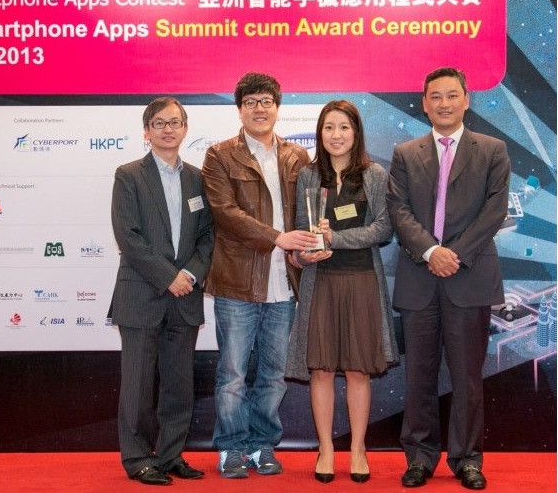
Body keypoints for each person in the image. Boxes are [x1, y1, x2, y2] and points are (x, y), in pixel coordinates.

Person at [386, 67, 511, 490]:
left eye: (452, 95)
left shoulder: (492, 150)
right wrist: (430, 251)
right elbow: (398, 210)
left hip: (469, 276)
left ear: (466, 100)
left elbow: (495, 211)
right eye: (435, 96)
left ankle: (467, 459)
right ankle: (419, 457)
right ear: (424, 103)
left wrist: (453, 255)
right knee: (418, 377)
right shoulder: (405, 153)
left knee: (467, 378)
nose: (444, 103)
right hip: (419, 278)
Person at [201, 72, 315, 479]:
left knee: (273, 374)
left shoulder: (297, 157)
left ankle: (262, 444)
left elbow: (308, 213)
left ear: (277, 108)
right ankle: (231, 447)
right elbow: (226, 214)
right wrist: (278, 238)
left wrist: (308, 244)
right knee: (232, 374)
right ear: (240, 109)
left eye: (266, 101)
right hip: (236, 283)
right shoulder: (219, 155)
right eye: (251, 102)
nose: (259, 108)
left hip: (284, 285)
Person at [285, 100, 399, 484]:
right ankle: (326, 449)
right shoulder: (307, 175)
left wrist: (336, 237)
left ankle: (358, 449)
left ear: (356, 133)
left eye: (344, 127)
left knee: (357, 370)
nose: (336, 135)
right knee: (320, 369)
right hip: (321, 282)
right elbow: (301, 229)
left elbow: (383, 228)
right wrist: (306, 252)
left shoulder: (374, 174)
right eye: (329, 127)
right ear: (320, 133)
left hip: (361, 281)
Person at [110, 96, 214, 486]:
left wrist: (189, 274)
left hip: (185, 295)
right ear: (146, 131)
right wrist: (168, 276)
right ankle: (138, 458)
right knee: (137, 386)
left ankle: (170, 455)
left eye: (174, 122)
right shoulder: (128, 175)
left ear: (185, 129)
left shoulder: (199, 179)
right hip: (142, 294)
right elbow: (128, 237)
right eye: (159, 123)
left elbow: (208, 237)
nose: (167, 129)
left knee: (178, 384)